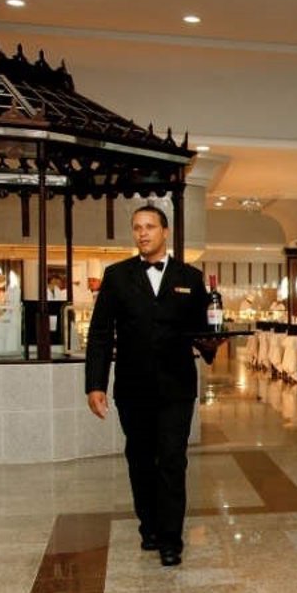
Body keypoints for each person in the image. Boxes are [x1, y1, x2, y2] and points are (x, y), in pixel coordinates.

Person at [84, 205, 222, 567]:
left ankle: (171, 539)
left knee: (172, 460)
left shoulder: (189, 277)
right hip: (133, 387)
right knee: (140, 459)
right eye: (137, 227)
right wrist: (95, 384)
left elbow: (204, 330)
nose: (142, 233)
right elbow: (100, 334)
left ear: (165, 231)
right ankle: (149, 526)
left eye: (149, 226)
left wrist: (212, 345)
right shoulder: (117, 276)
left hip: (177, 388)